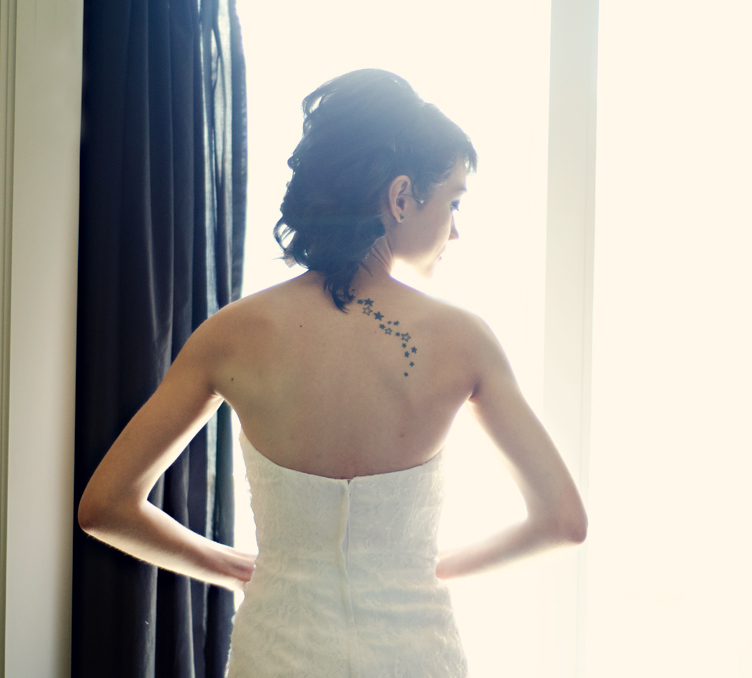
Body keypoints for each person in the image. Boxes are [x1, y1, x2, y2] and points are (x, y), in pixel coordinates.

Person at [77, 69, 587, 677]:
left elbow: (105, 507)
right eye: (453, 202)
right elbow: (563, 522)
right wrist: (418, 569)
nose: (456, 230)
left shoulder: (231, 334)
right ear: (401, 197)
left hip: (277, 656)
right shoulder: (463, 341)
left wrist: (238, 567)